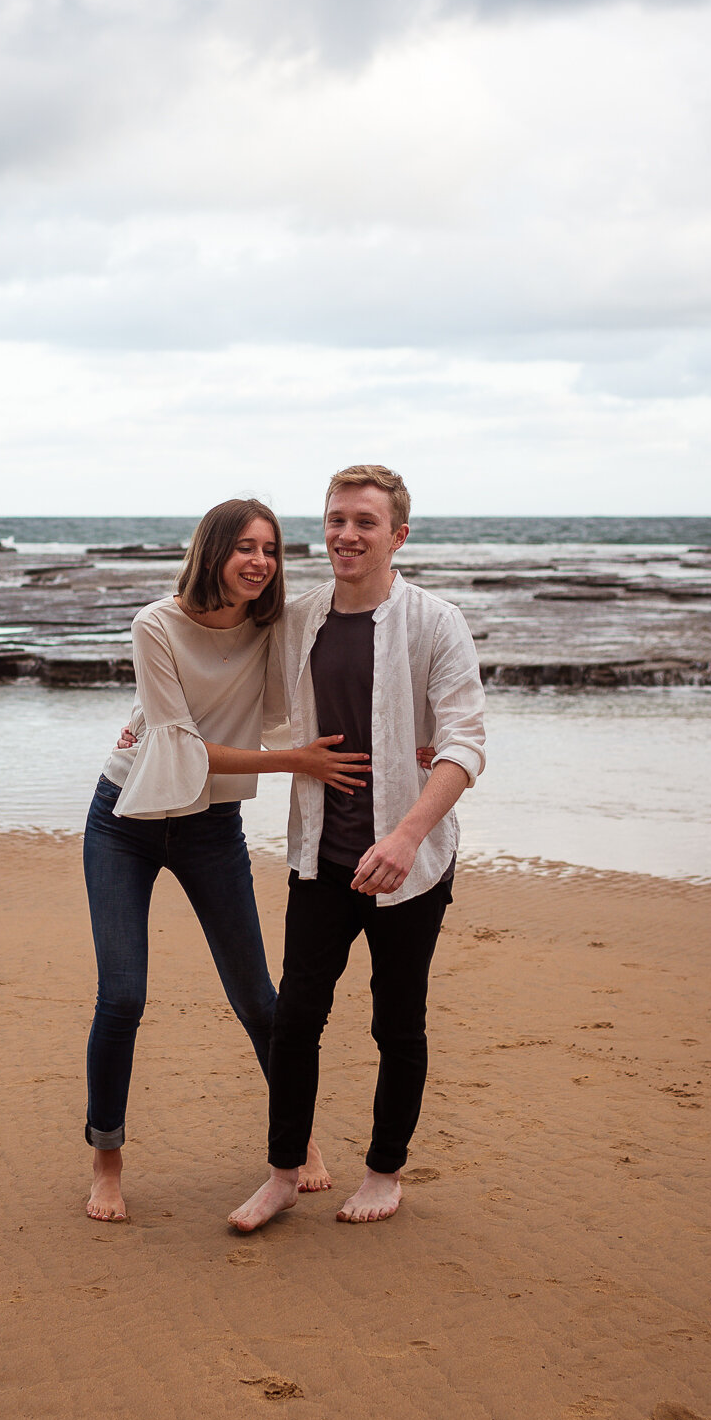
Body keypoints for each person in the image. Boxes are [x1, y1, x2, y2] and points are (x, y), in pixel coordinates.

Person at [82, 497, 372, 1223]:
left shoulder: (271, 626)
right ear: (211, 550)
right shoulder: (156, 624)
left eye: (270, 550)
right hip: (127, 820)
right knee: (122, 997)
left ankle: (297, 1140)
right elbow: (178, 746)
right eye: (245, 546)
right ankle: (106, 1163)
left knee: (258, 1000)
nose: (259, 562)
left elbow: (347, 654)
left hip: (211, 827)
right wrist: (295, 761)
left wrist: (417, 737)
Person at [228, 463, 487, 1232]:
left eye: (364, 522)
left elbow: (465, 743)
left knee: (396, 1025)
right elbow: (223, 672)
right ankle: (283, 1174)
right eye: (336, 519)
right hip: (320, 856)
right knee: (294, 1020)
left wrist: (406, 835)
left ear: (396, 535)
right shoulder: (297, 618)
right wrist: (147, 721)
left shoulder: (435, 623)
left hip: (410, 865)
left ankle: (383, 1172)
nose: (346, 534)